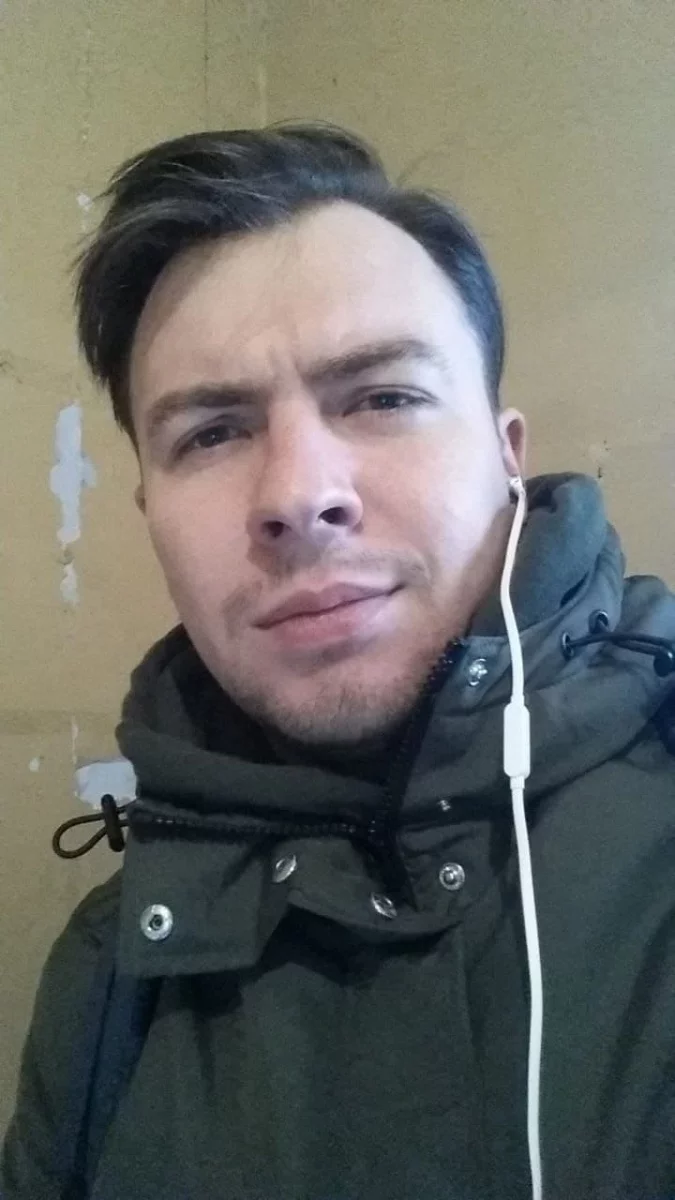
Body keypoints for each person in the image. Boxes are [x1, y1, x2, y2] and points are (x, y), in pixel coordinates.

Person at [2, 122, 675, 1200]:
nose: (296, 495)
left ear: (508, 458)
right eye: (211, 433)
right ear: (149, 512)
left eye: (383, 397)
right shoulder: (106, 977)